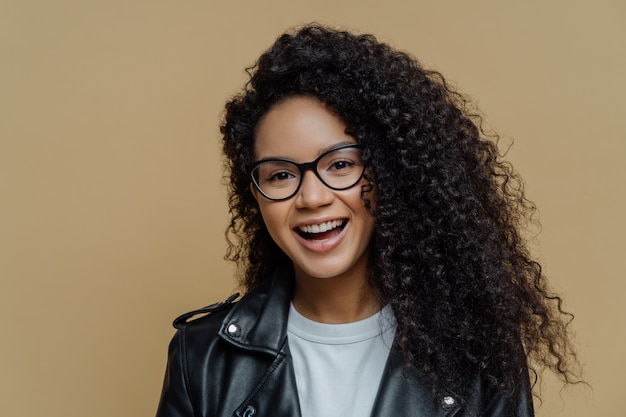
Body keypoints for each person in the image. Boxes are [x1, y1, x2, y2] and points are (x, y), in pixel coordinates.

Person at [155, 24, 580, 417]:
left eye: (340, 165)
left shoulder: (477, 353)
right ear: (257, 195)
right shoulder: (202, 357)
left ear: (388, 173)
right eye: (281, 174)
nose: (313, 197)